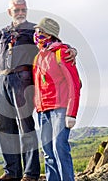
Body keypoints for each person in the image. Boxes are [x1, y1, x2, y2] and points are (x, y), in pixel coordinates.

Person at [0, 0, 77, 181]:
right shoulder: (2, 32)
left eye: (23, 9)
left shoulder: (35, 30)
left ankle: (30, 173)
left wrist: (72, 49)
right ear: (9, 12)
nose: (20, 13)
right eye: (17, 9)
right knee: (5, 128)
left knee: (26, 127)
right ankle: (11, 172)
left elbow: (53, 44)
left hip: (24, 81)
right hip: (2, 80)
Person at [32, 17, 81, 181]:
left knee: (59, 147)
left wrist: (71, 113)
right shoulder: (38, 57)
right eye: (36, 31)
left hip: (60, 109)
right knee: (48, 152)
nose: (36, 34)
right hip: (42, 111)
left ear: (49, 34)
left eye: (40, 32)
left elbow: (75, 84)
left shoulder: (62, 53)